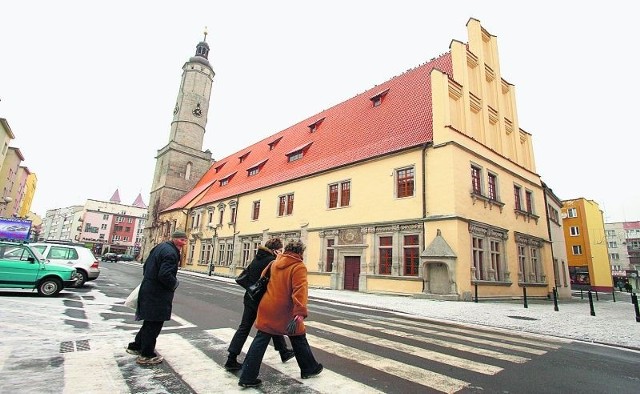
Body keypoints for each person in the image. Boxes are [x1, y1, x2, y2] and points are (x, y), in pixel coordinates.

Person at [238, 240, 323, 388]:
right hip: (285, 310)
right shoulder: (298, 266)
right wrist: (300, 311)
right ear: (300, 252)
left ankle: (247, 376)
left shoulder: (274, 263)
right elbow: (300, 290)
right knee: (298, 336)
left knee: (261, 339)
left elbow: (262, 280)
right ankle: (309, 368)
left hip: (267, 306)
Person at [225, 238, 294, 371]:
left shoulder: (257, 258)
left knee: (244, 327)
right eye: (280, 250)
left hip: (249, 298)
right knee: (269, 326)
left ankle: (231, 358)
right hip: (262, 300)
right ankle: (282, 352)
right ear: (274, 250)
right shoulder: (271, 262)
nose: (281, 253)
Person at [126, 230, 187, 365]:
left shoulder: (160, 247)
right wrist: (174, 284)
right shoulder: (171, 253)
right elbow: (165, 274)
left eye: (185, 240)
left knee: (149, 321)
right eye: (182, 240)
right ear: (175, 239)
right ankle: (146, 354)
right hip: (157, 293)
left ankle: (136, 345)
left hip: (149, 287)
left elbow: (146, 265)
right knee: (154, 323)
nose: (184, 243)